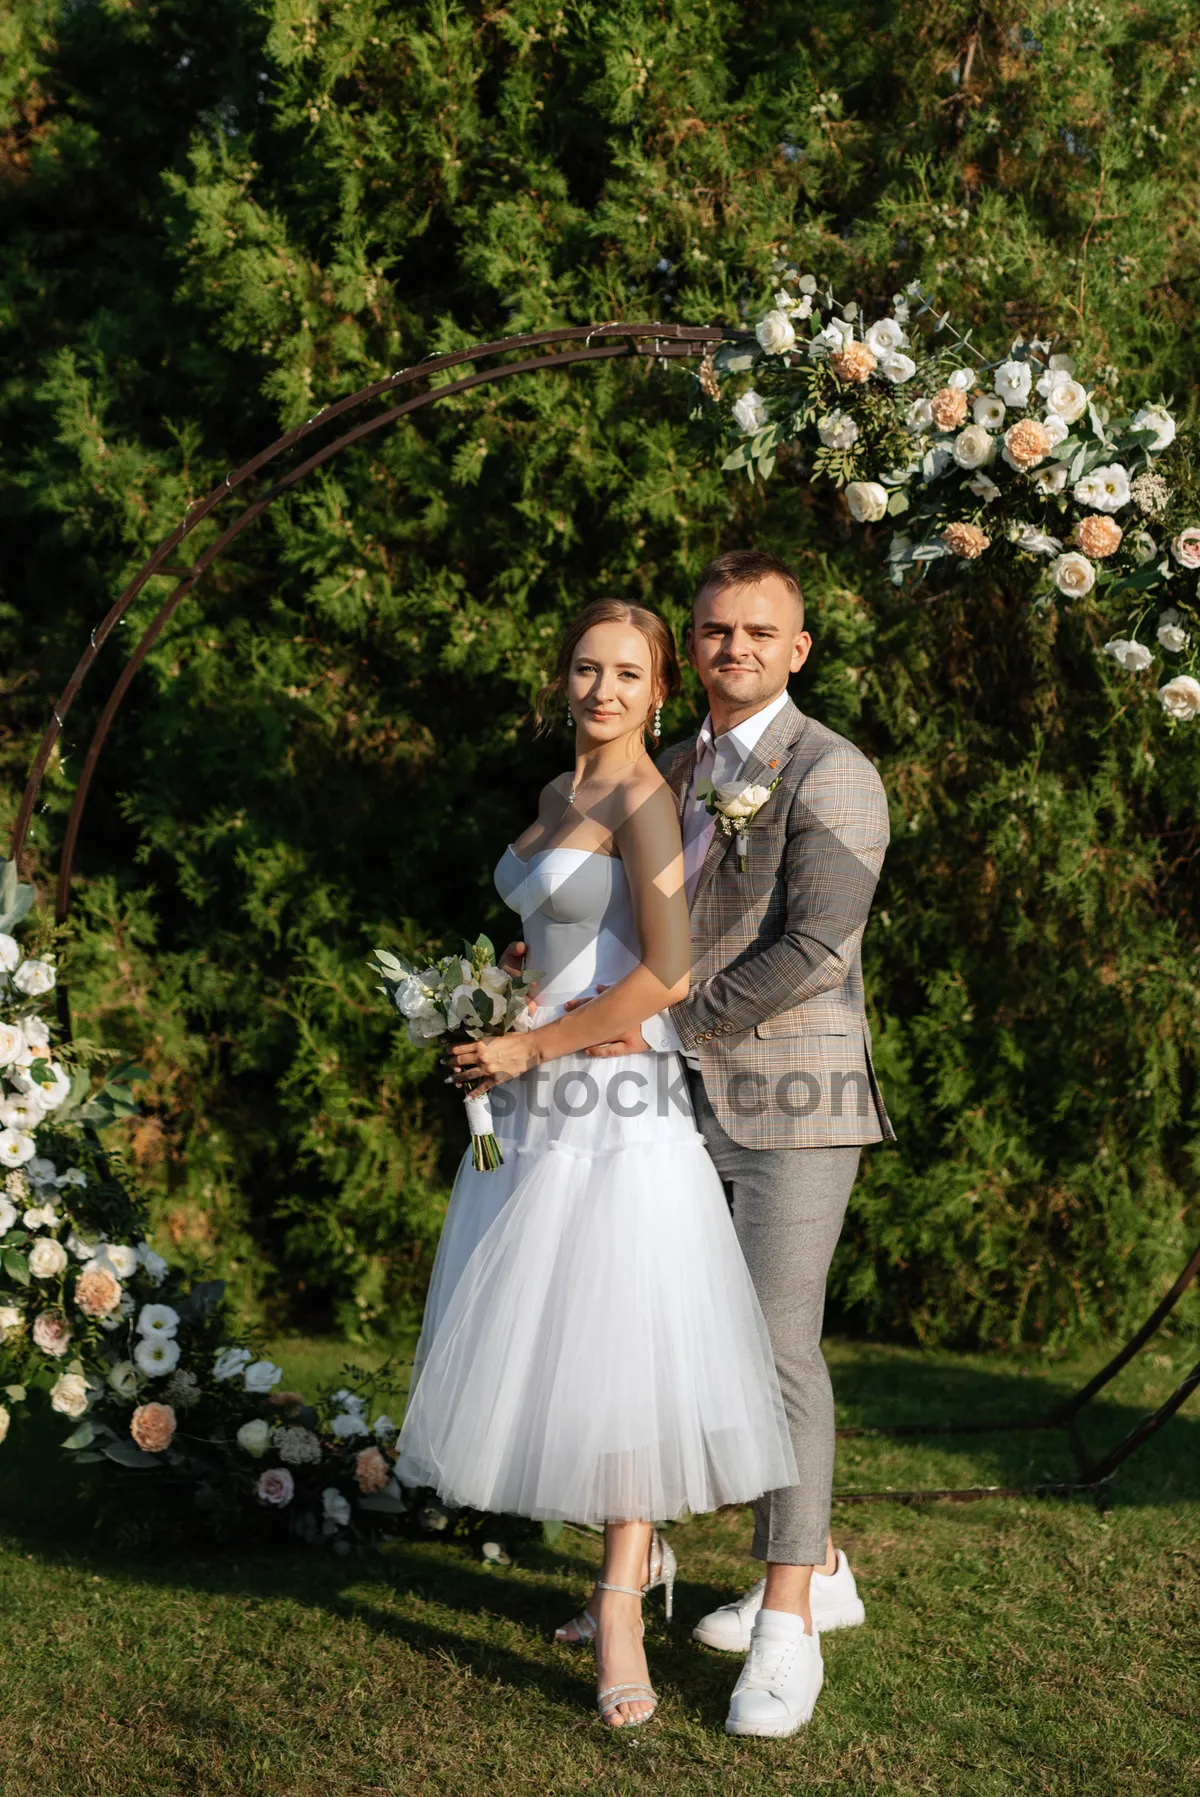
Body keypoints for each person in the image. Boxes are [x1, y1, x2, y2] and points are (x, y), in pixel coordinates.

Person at [395, 598, 797, 1731]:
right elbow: (584, 938)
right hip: (531, 1109)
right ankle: (621, 1574)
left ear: (659, 691)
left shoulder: (646, 800)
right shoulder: (553, 797)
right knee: (558, 1342)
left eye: (628, 672)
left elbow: (666, 973)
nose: (604, 689)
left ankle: (621, 1607)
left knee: (621, 1347)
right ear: (560, 680)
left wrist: (529, 1041)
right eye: (586, 668)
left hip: (611, 1106)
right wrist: (507, 985)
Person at [566, 550, 893, 1738]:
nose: (735, 648)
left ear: (798, 650)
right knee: (654, 1335)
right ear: (691, 647)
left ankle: (788, 1624)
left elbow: (816, 947)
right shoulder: (674, 768)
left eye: (760, 633)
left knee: (772, 1349)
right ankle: (687, 1563)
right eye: (714, 631)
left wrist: (670, 1021)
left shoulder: (836, 773)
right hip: (663, 1108)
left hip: (792, 1109)